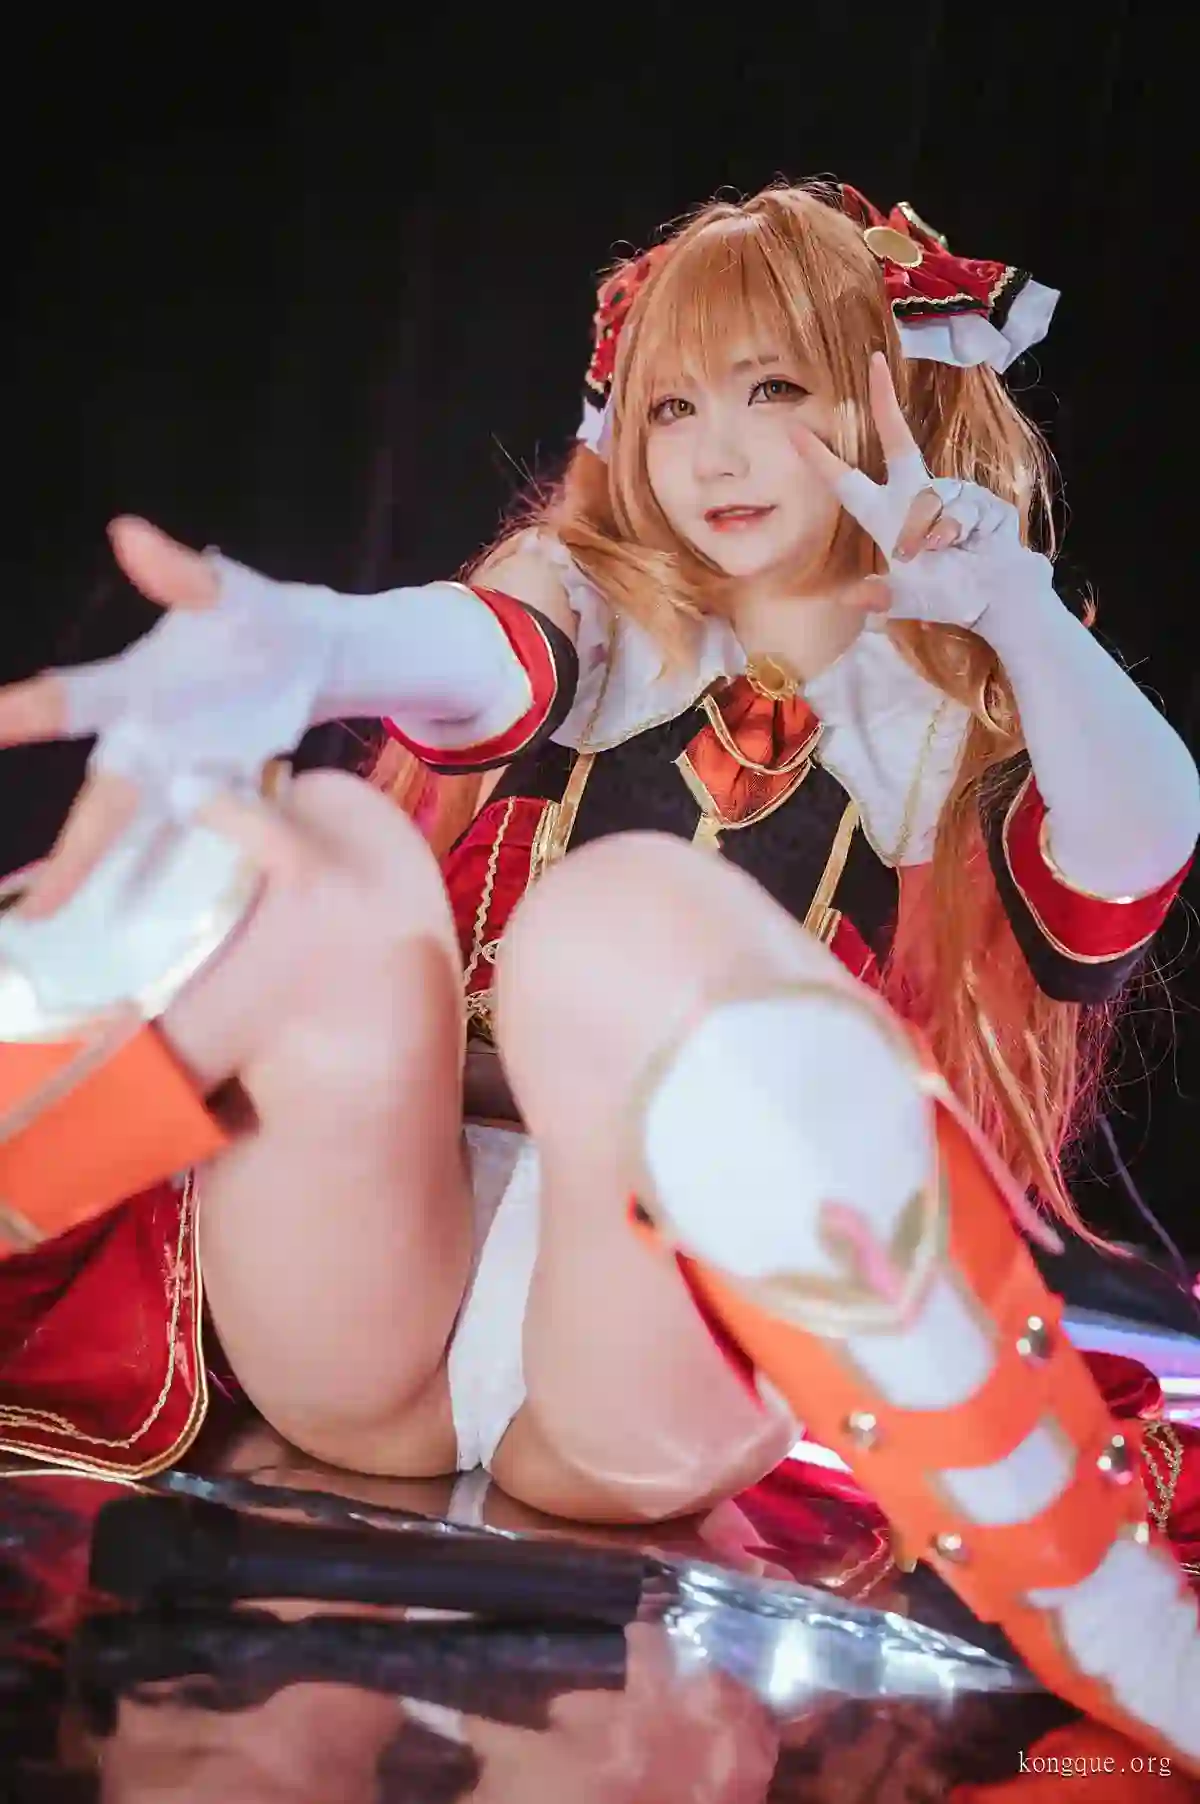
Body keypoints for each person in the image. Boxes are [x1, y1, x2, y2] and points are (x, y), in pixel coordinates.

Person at [1, 179, 1198, 1765]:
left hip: (647, 1361)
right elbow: (474, 650)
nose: (716, 453)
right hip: (373, 1295)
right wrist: (317, 646)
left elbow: (1132, 851)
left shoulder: (953, 726)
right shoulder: (584, 602)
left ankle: (1093, 1599)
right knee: (319, 845)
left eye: (775, 391)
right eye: (674, 405)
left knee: (617, 916)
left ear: (893, 399)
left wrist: (1022, 618)